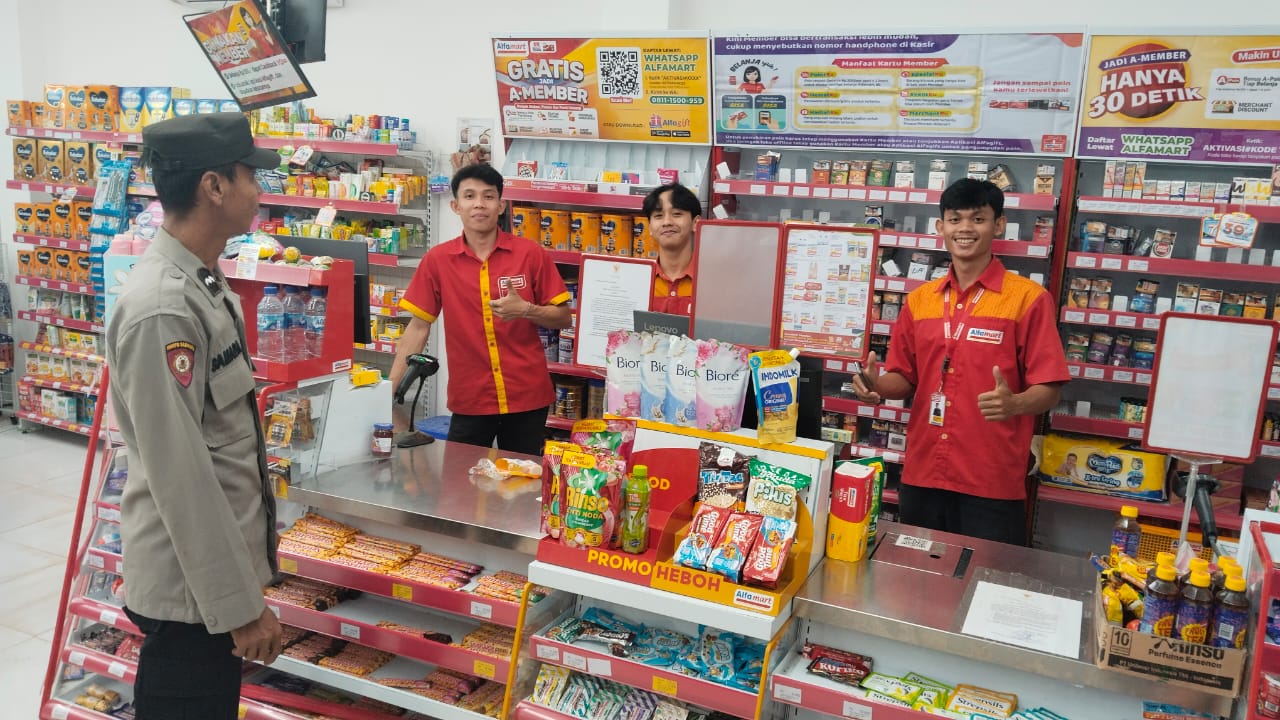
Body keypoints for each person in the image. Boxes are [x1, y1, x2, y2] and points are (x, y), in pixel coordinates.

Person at [105, 113, 283, 719]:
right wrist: (238, 607)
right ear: (214, 186)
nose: (259, 190)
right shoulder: (164, 308)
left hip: (205, 592)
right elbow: (180, 475)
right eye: (250, 176)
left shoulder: (202, 282)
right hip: (192, 599)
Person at [851, 178, 1069, 545]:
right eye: (955, 219)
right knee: (918, 574)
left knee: (987, 575)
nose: (965, 229)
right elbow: (905, 378)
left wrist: (1015, 403)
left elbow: (1050, 388)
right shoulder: (920, 301)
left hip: (991, 480)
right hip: (923, 473)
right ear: (941, 227)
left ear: (998, 225)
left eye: (978, 219)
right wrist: (876, 385)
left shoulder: (1028, 300)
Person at [391, 164, 572, 455]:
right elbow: (418, 327)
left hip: (527, 396)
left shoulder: (530, 254)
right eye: (469, 196)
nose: (479, 204)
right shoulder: (438, 260)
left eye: (488, 196)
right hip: (470, 398)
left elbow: (563, 317)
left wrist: (526, 310)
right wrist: (388, 391)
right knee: (460, 477)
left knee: (523, 478)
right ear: (456, 206)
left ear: (501, 206)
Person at [643, 182, 700, 316]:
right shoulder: (640, 279)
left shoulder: (709, 281)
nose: (667, 222)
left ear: (695, 223)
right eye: (658, 216)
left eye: (677, 214)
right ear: (650, 227)